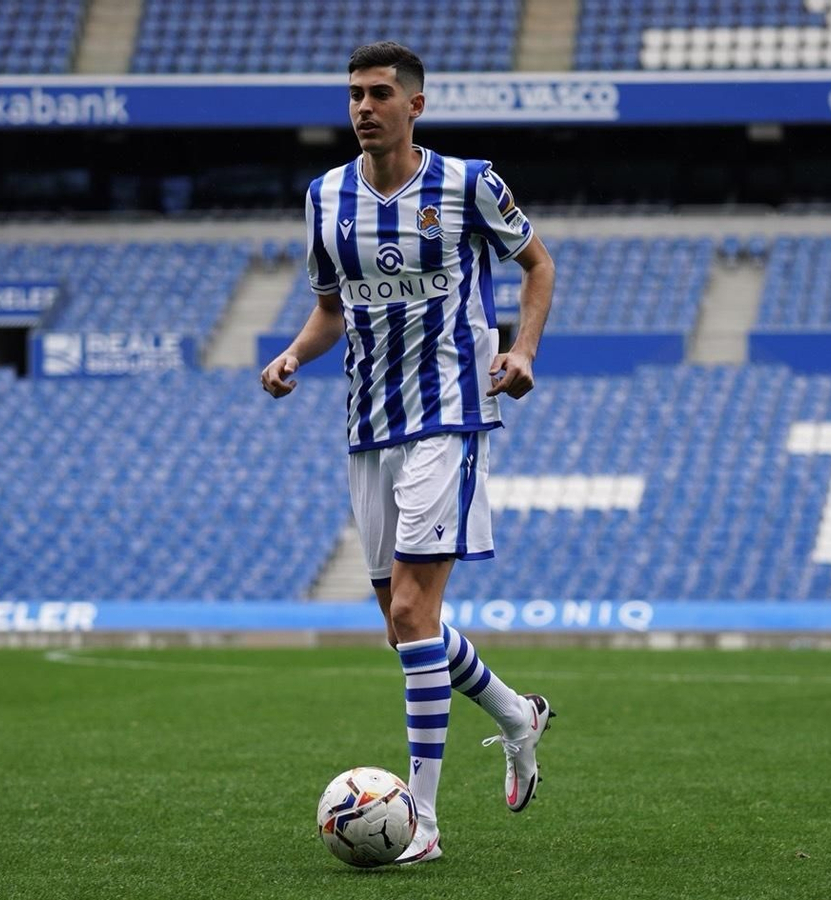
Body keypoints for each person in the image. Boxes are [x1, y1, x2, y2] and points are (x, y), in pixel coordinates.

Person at [259, 41, 558, 865]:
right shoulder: (325, 197)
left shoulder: (468, 184)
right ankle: (517, 714)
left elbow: (538, 266)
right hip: (368, 425)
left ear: (414, 105)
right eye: (355, 93)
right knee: (403, 631)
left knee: (414, 616)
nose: (364, 107)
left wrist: (523, 350)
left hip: (450, 413)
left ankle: (420, 823)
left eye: (380, 94)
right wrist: (293, 354)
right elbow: (332, 308)